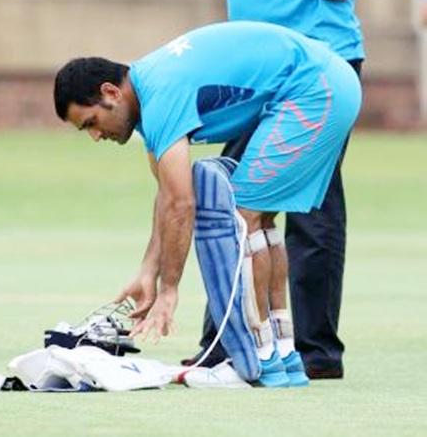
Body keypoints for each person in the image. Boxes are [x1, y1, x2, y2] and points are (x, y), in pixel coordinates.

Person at [187, 0, 415, 380]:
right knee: (231, 201)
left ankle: (314, 353)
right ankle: (230, 342)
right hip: (259, 69)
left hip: (319, 65)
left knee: (309, 207)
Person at [54, 21, 362, 387]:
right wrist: (148, 273)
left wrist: (170, 289)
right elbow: (168, 196)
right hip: (328, 82)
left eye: (91, 122)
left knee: (241, 218)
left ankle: (257, 361)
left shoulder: (160, 93)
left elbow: (183, 205)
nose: (95, 136)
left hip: (315, 89)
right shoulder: (150, 92)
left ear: (111, 92)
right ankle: (283, 356)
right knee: (257, 221)